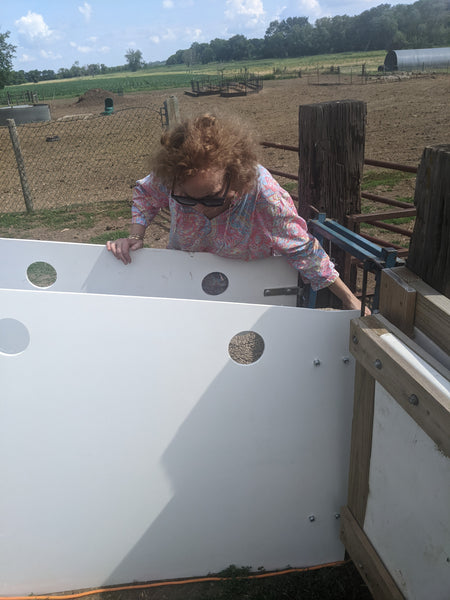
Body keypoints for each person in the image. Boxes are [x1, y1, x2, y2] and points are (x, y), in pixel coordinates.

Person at [107, 113, 367, 313]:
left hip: (249, 284)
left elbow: (302, 249)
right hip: (187, 274)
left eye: (211, 198)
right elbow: (146, 193)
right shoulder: (174, 176)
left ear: (237, 180)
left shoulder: (265, 197)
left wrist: (350, 299)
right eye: (185, 199)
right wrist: (136, 235)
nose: (198, 207)